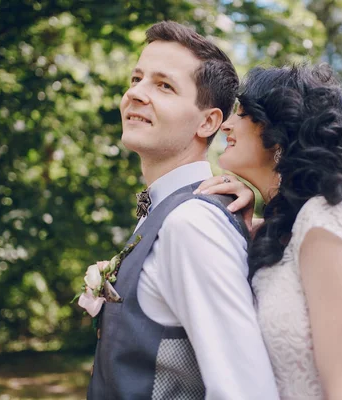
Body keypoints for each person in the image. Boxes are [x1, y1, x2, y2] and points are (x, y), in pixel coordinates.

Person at [87, 21, 279, 399]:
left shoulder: (193, 223)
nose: (135, 94)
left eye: (164, 85)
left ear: (208, 122)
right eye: (136, 78)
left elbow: (244, 390)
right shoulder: (167, 212)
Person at [196, 64, 342, 399]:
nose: (227, 125)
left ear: (281, 131)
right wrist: (247, 224)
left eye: (243, 113)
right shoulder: (284, 234)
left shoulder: (327, 221)